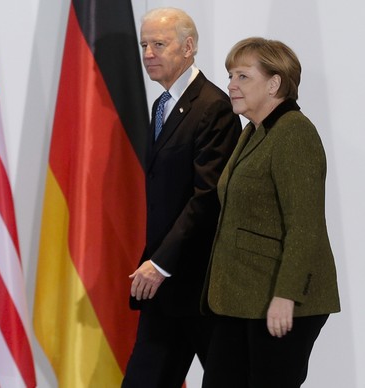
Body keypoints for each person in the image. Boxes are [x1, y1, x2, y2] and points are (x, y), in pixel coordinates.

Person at [201, 37, 341, 388]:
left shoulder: (294, 132)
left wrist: (285, 296)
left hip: (278, 301)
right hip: (242, 298)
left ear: (275, 83)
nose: (231, 85)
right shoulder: (254, 131)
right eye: (230, 75)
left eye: (243, 76)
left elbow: (305, 225)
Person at [122, 8, 241, 388]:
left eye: (159, 44)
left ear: (188, 47)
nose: (148, 54)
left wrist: (159, 264)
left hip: (202, 287)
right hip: (167, 289)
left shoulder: (213, 107)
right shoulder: (162, 104)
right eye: (144, 45)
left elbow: (206, 198)